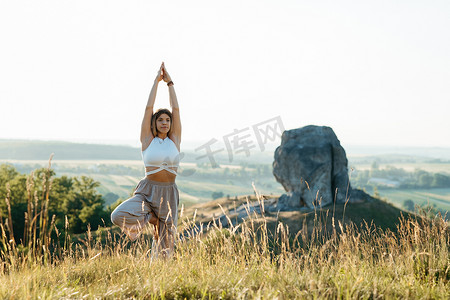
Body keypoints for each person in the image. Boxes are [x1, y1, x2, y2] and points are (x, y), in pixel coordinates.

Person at [111, 62, 181, 258]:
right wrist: (156, 82)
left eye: (167, 120)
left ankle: (158, 278)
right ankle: (152, 219)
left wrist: (170, 84)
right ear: (154, 123)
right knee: (118, 215)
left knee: (165, 248)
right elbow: (148, 108)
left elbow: (176, 109)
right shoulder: (147, 140)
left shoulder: (174, 140)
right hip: (148, 191)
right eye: (160, 120)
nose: (165, 122)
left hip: (169, 194)